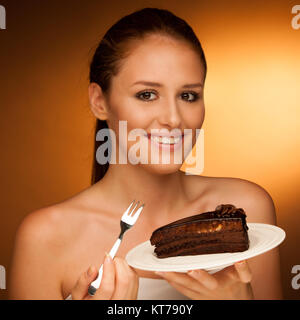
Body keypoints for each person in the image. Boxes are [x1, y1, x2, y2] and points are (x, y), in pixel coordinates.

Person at [8, 7, 282, 300]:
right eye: (147, 95)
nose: (173, 119)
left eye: (188, 95)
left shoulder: (249, 209)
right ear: (99, 101)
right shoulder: (44, 238)